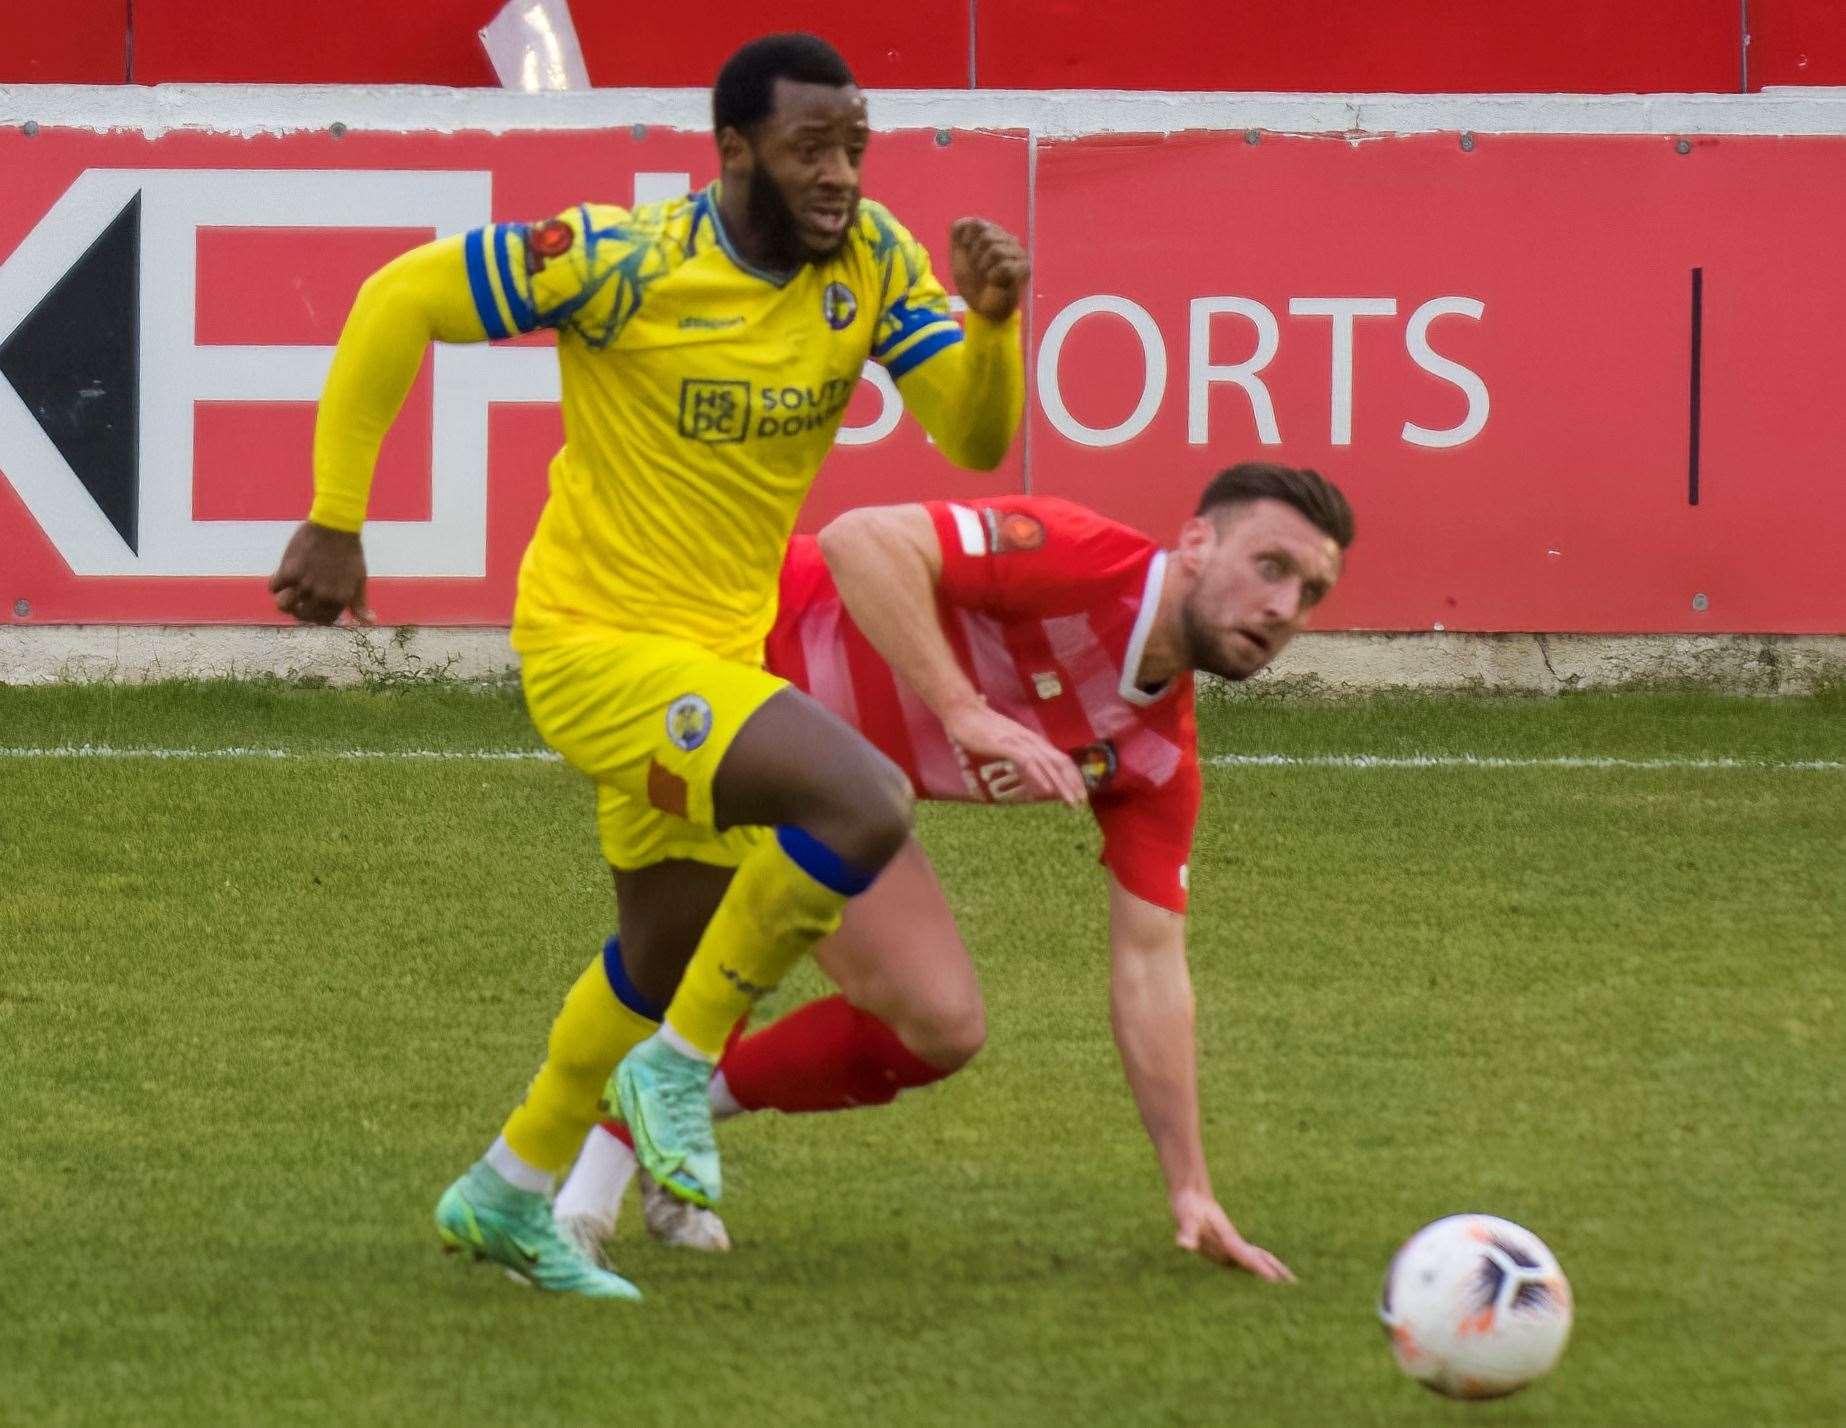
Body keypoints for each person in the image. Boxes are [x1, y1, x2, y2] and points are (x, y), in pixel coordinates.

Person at [268, 32, 1033, 1300]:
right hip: (594, 651)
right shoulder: (622, 262)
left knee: (665, 944)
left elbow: (970, 432)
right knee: (860, 803)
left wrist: (994, 328)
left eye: (854, 142)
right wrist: (336, 513)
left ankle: (505, 1191)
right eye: (808, 149)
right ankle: (679, 1070)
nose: (840, 173)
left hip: (712, 661)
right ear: (734, 150)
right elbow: (400, 297)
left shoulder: (876, 261)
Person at [558, 462, 1353, 1282]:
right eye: (1271, 566)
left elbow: (1151, 966)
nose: (1284, 608)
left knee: (940, 1025)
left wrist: (1190, 1188)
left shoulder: (1156, 758)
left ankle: (675, 1114)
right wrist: (962, 707)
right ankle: (577, 1184)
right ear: (1196, 543)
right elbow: (857, 539)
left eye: (1310, 593)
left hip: (842, 801)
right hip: (723, 662)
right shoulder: (1082, 560)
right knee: (683, 941)